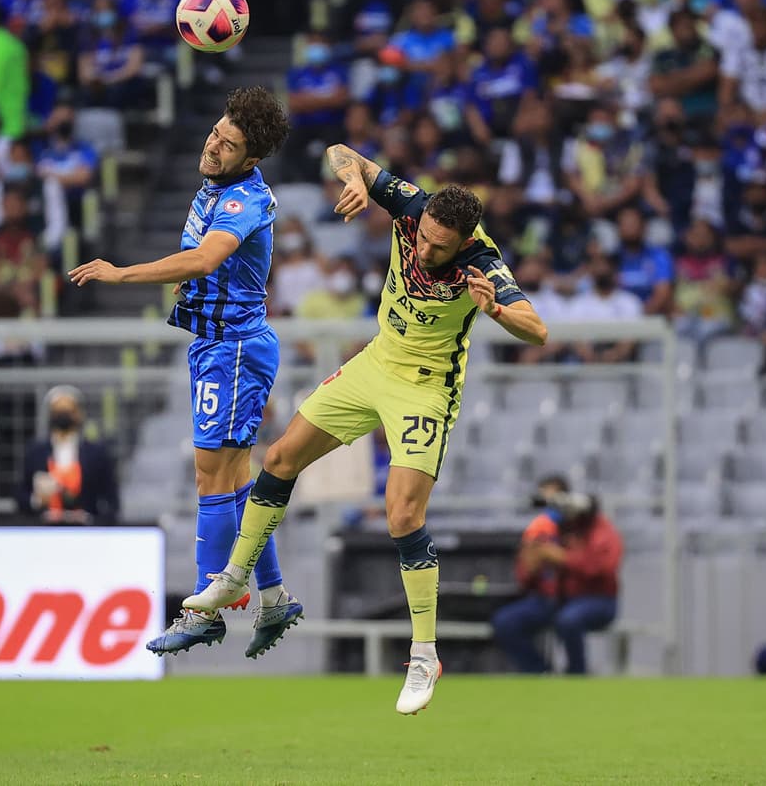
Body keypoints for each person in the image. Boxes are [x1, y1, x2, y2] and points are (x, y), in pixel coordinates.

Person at [185, 144, 548, 715]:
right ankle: (235, 577)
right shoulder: (411, 205)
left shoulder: (482, 260)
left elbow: (538, 329)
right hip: (375, 362)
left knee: (403, 514)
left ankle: (424, 654)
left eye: (437, 246)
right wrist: (353, 175)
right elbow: (338, 151)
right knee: (278, 459)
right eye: (422, 236)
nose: (424, 247)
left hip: (426, 386)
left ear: (463, 242)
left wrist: (498, 311)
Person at [69, 86, 301, 659]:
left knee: (210, 476)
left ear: (251, 158)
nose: (214, 146)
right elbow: (209, 266)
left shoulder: (243, 198)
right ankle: (272, 598)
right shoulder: (215, 185)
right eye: (216, 133)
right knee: (235, 479)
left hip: (235, 348)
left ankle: (202, 608)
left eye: (229, 144)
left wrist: (120, 274)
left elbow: (205, 257)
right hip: (216, 345)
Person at [492, 484, 622, 675]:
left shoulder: (601, 530)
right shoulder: (549, 528)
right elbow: (526, 577)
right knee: (505, 621)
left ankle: (577, 675)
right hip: (555, 599)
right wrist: (531, 567)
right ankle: (540, 673)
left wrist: (562, 557)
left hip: (596, 599)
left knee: (569, 619)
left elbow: (602, 567)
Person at [19, 385, 120, 525]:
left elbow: (111, 500)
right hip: (45, 531)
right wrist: (38, 500)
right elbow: (20, 497)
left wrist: (96, 522)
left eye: (68, 410)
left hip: (86, 532)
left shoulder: (96, 453)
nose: (63, 415)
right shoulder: (36, 452)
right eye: (58, 411)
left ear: (79, 414)